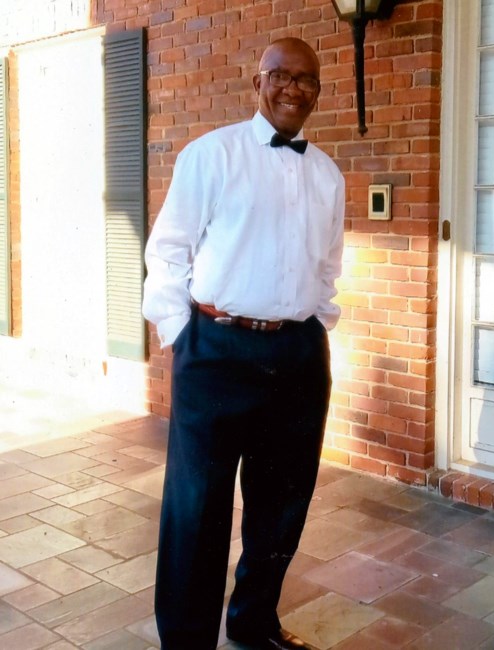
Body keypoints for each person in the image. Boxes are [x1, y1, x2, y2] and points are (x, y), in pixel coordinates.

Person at [142, 36, 345, 650]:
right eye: (280, 75)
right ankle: (187, 640)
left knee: (282, 504)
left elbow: (328, 264)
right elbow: (168, 251)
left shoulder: (328, 175)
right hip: (216, 351)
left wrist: (316, 324)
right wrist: (181, 334)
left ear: (317, 92)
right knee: (197, 508)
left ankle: (254, 622)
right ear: (258, 82)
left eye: (306, 80)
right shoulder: (211, 155)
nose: (292, 89)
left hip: (298, 356)